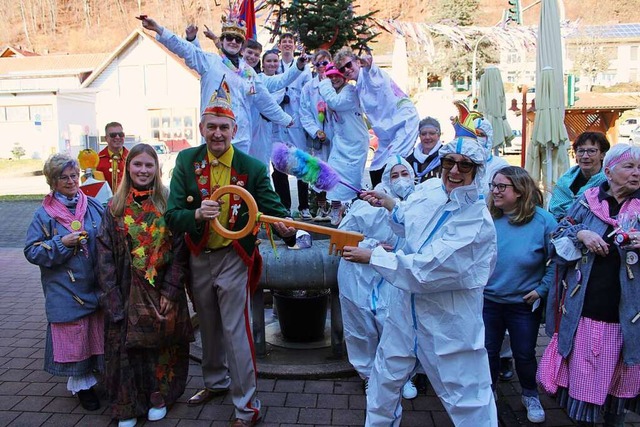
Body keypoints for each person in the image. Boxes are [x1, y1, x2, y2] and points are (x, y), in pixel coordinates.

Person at [343, 118, 498, 426]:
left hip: (448, 325)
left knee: (469, 401)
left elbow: (426, 270)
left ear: (477, 171)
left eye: (464, 166)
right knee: (382, 387)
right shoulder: (431, 190)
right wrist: (389, 204)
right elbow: (410, 221)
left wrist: (372, 257)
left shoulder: (476, 224)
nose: (453, 171)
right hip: (403, 315)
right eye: (449, 162)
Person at [164, 83, 297, 427]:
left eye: (224, 127)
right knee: (207, 325)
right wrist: (195, 215)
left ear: (235, 130)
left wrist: (285, 225)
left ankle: (247, 408)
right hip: (198, 255)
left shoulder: (251, 167)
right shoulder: (186, 160)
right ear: (201, 129)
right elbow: (172, 214)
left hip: (235, 257)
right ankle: (216, 382)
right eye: (212, 126)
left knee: (236, 331)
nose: (218, 133)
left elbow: (271, 207)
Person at [539, 143, 640, 427]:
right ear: (608, 171)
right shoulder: (588, 201)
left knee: (621, 372)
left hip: (630, 312)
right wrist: (582, 233)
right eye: (629, 167)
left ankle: (615, 419)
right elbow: (558, 235)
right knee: (587, 372)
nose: (636, 174)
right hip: (586, 304)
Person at [96, 144, 194, 427]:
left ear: (157, 169)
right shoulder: (114, 208)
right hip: (126, 291)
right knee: (127, 351)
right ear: (128, 168)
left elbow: (180, 251)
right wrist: (112, 296)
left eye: (149, 165)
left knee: (160, 349)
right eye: (137, 164)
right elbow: (103, 257)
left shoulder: (169, 205)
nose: (143, 170)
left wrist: (172, 291)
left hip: (160, 291)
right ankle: (128, 405)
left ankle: (157, 397)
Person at [140, 16, 293, 154]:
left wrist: (286, 119)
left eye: (237, 39)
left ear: (241, 44)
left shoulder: (249, 73)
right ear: (223, 39)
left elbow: (265, 101)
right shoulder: (210, 61)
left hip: (241, 138)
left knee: (237, 183)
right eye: (229, 37)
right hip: (214, 136)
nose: (233, 42)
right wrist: (159, 28)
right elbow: (186, 49)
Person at [24, 153, 104, 411]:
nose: (71, 181)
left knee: (95, 332)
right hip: (65, 290)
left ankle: (97, 377)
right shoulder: (43, 214)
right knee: (75, 336)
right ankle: (83, 386)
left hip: (94, 284)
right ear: (52, 181)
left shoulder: (92, 205)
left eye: (74, 175)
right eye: (63, 177)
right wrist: (61, 243)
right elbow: (31, 251)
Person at [338, 156, 418, 399]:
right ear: (385, 180)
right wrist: (371, 245)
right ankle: (369, 375)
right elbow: (342, 234)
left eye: (405, 173)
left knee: (398, 325)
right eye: (394, 175)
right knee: (361, 328)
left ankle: (401, 376)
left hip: (396, 275)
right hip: (360, 276)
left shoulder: (420, 202)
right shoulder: (367, 204)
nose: (401, 180)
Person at [484, 166, 557, 423]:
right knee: (487, 350)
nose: (495, 191)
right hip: (487, 300)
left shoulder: (544, 221)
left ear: (520, 190)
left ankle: (529, 394)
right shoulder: (487, 217)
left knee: (524, 352)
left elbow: (558, 261)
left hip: (522, 304)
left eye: (501, 186)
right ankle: (488, 392)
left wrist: (541, 289)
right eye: (493, 185)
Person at [333, 47, 419, 188]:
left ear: (357, 62)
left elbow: (371, 70)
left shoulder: (370, 75)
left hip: (403, 123)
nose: (347, 70)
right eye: (342, 69)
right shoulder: (358, 88)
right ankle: (381, 202)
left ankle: (402, 200)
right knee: (375, 167)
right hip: (386, 133)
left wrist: (368, 63)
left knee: (394, 165)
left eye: (349, 65)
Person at [318, 63, 369, 226]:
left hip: (355, 143)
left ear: (343, 77)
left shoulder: (349, 91)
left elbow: (336, 103)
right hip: (340, 142)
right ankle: (335, 207)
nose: (333, 79)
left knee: (353, 179)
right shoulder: (334, 92)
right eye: (330, 76)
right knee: (333, 174)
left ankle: (354, 210)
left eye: (336, 76)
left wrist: (324, 83)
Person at [272, 33, 313, 220]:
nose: (287, 44)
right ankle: (285, 207)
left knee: (301, 162)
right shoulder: (274, 66)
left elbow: (308, 94)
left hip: (296, 121)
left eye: (290, 42)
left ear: (294, 45)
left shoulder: (303, 68)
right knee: (279, 164)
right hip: (278, 123)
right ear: (279, 46)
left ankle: (304, 206)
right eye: (284, 42)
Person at [300, 49, 333, 221]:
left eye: (325, 63)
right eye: (318, 64)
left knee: (336, 169)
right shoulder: (308, 88)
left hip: (336, 136)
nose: (322, 67)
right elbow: (304, 113)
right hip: (319, 138)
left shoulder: (337, 82)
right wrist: (315, 130)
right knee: (320, 172)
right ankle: (321, 208)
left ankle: (336, 207)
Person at [548, 131, 610, 221]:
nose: (585, 156)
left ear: (602, 155)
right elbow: (553, 213)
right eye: (580, 151)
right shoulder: (565, 180)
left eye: (591, 151)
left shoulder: (608, 182)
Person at [405, 117, 443, 183]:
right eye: (423, 134)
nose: (427, 137)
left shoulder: (446, 157)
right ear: (419, 135)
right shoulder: (409, 160)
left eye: (432, 133)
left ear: (439, 135)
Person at [98, 121, 129, 191]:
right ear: (106, 138)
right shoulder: (96, 160)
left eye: (121, 134)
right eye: (113, 135)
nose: (117, 137)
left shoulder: (132, 158)